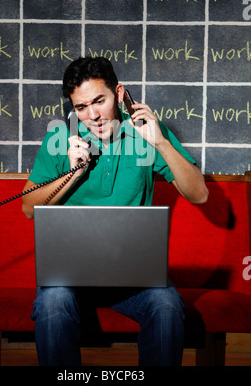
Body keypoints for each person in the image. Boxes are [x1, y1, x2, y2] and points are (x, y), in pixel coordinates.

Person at [22, 56, 208, 366]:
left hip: (133, 276)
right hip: (69, 275)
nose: (92, 115)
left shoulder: (148, 132)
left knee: (167, 304)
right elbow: (28, 208)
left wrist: (160, 142)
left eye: (99, 101)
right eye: (81, 108)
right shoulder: (60, 139)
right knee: (53, 302)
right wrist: (73, 173)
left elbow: (200, 194)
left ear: (119, 94)